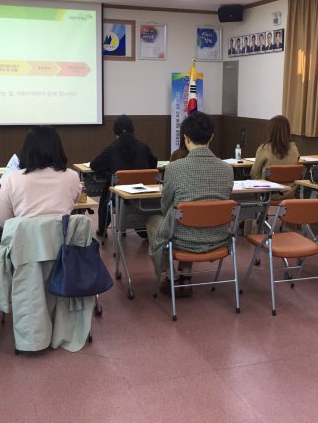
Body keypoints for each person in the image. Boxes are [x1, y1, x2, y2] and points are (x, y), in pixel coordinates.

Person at [147, 112, 234, 296]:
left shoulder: (174, 168)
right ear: (211, 137)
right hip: (218, 238)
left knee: (157, 222)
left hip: (183, 238)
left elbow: (165, 207)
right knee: (192, 219)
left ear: (185, 138)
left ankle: (171, 278)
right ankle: (186, 278)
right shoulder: (227, 169)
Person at [0, 126, 81, 226]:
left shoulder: (12, 178)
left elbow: (2, 221)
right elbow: (73, 202)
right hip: (62, 239)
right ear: (58, 149)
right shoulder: (73, 177)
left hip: (24, 240)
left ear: (27, 150)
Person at [90, 115, 158, 237]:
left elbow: (94, 165)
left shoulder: (112, 148)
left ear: (115, 131)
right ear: (133, 129)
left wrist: (108, 172)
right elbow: (154, 165)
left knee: (108, 188)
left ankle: (102, 229)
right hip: (143, 198)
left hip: (118, 199)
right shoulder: (143, 147)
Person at [251, 115, 300, 200]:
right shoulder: (294, 148)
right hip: (290, 192)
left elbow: (254, 174)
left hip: (269, 193)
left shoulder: (264, 148)